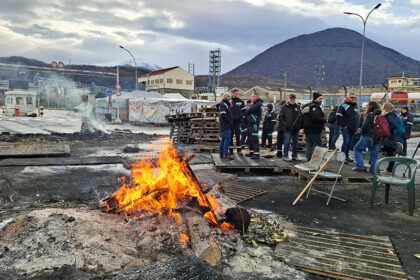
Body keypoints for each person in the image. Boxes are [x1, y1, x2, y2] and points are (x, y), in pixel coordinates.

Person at [353, 102, 381, 174]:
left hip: (367, 136)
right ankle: (372, 172)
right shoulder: (381, 115)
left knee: (357, 149)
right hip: (377, 137)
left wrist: (361, 131)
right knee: (374, 156)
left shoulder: (370, 115)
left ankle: (360, 166)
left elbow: (365, 126)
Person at [302, 92, 326, 161]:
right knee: (319, 146)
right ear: (315, 98)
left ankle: (309, 160)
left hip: (307, 129)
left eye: (322, 98)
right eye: (320, 98)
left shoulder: (308, 106)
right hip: (314, 130)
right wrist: (325, 120)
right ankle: (318, 162)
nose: (321, 100)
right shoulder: (315, 107)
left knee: (309, 146)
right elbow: (315, 118)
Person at [336, 94, 360, 163]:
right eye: (351, 97)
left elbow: (357, 118)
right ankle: (342, 157)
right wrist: (344, 125)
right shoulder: (344, 105)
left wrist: (358, 127)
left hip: (353, 128)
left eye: (354, 97)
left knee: (349, 143)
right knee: (346, 142)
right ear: (348, 98)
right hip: (346, 128)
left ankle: (347, 156)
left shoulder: (355, 106)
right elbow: (338, 116)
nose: (353, 98)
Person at [279, 94, 301, 161]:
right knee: (287, 142)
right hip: (288, 128)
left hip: (296, 128)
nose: (292, 99)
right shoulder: (284, 107)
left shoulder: (297, 107)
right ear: (288, 99)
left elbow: (300, 117)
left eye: (294, 98)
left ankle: (294, 155)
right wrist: (285, 125)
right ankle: (285, 156)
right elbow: (280, 117)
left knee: (295, 143)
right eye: (291, 98)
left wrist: (299, 125)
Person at [380, 102, 398, 175]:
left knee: (390, 154)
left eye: (383, 106)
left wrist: (386, 130)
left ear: (385, 108)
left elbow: (394, 125)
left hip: (389, 137)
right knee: (389, 154)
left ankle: (389, 170)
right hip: (390, 137)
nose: (381, 107)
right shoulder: (390, 115)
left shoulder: (389, 115)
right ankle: (389, 170)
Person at [245, 92, 263, 159]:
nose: (252, 98)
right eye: (251, 96)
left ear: (257, 97)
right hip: (250, 124)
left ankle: (256, 153)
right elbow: (247, 112)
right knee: (249, 139)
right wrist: (248, 110)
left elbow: (249, 110)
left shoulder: (258, 104)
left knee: (254, 138)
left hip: (254, 124)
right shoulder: (253, 104)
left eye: (253, 96)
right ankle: (251, 152)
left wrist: (248, 110)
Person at [229, 89, 245, 155]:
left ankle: (239, 150)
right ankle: (231, 150)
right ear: (233, 94)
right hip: (231, 122)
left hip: (238, 122)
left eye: (238, 93)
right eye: (236, 93)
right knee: (231, 135)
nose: (237, 94)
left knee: (238, 136)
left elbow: (244, 111)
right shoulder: (229, 101)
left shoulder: (241, 101)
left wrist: (242, 117)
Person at [218, 93, 233, 159]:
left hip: (224, 125)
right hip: (226, 125)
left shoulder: (225, 104)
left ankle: (222, 154)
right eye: (228, 96)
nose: (229, 97)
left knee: (223, 140)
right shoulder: (223, 104)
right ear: (225, 97)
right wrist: (229, 122)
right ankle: (225, 154)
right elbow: (223, 115)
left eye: (230, 96)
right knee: (227, 139)